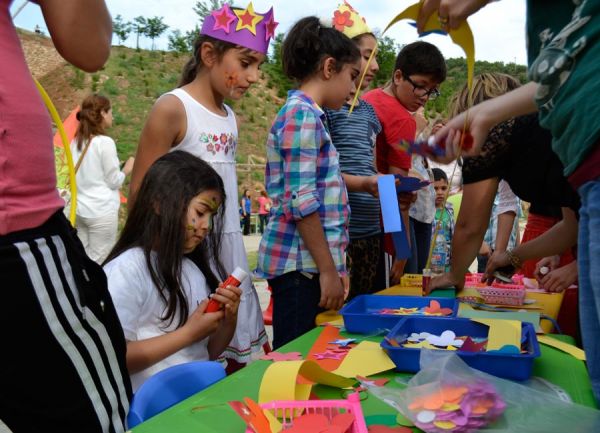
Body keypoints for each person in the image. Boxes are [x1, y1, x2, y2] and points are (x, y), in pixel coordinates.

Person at [0, 1, 131, 432]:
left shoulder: (75, 145)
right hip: (18, 226)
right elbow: (89, 45)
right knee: (93, 414)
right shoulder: (108, 147)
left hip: (50, 217)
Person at [128, 2, 273, 368]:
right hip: (184, 254)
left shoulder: (230, 118)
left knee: (229, 347)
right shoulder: (173, 108)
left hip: (224, 246)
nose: (254, 76)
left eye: (258, 65)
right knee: (189, 352)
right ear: (209, 54)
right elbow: (141, 192)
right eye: (245, 63)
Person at [255, 15, 361, 349]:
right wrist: (328, 271)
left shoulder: (311, 115)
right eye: (352, 76)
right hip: (300, 268)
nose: (353, 88)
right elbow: (302, 201)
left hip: (309, 265)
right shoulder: (300, 115)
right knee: (295, 360)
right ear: (330, 67)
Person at [426, 73, 580, 294]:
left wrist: (454, 274)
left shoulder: (491, 135)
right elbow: (571, 228)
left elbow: (470, 226)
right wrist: (513, 256)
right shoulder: (545, 126)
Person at [104, 151, 241, 392]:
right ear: (159, 203)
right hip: (151, 415)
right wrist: (188, 334)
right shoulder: (127, 270)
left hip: (192, 400)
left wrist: (228, 320)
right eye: (199, 213)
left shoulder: (192, 270)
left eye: (211, 217)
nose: (206, 227)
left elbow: (206, 351)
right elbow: (113, 357)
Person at [362, 41, 447, 283]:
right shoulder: (402, 119)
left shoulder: (369, 98)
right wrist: (401, 248)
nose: (425, 98)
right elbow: (394, 191)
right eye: (421, 87)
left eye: (432, 91)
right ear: (398, 76)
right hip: (379, 228)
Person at [323, 2, 385, 299]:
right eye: (366, 56)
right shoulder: (328, 109)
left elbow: (370, 166)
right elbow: (323, 172)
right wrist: (364, 183)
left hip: (371, 229)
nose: (374, 66)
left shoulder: (370, 113)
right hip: (340, 233)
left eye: (376, 57)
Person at [70, 94, 134, 263]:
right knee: (100, 261)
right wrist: (126, 169)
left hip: (80, 210)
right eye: (111, 111)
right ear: (103, 114)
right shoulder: (105, 142)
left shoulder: (75, 142)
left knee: (81, 257)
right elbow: (114, 181)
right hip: (101, 211)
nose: (113, 115)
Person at [476, 180, 521, 273]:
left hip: (510, 253)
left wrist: (518, 247)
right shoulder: (483, 196)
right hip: (488, 252)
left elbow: (515, 223)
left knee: (508, 284)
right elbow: (475, 223)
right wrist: (481, 243)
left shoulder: (515, 196)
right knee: (485, 284)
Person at [432, 168, 454, 272]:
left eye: (443, 188)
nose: (440, 192)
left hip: (447, 263)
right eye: (435, 188)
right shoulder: (426, 212)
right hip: (430, 263)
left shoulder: (450, 210)